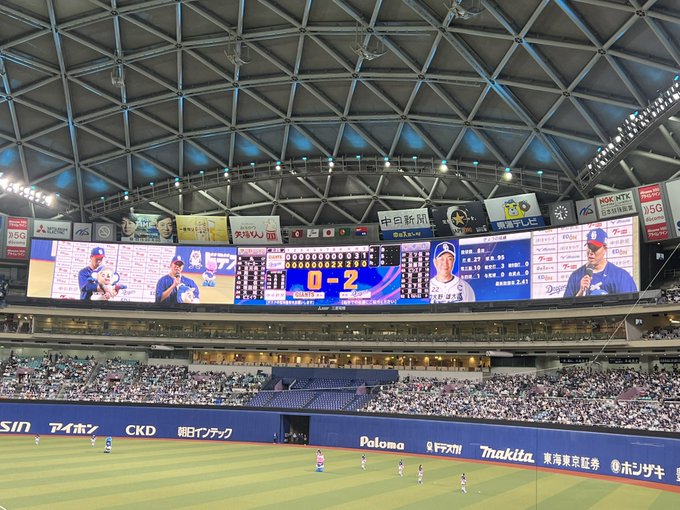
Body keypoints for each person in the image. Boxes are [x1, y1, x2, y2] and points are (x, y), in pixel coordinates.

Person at [563, 228, 638, 297]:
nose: (591, 252)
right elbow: (566, 306)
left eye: (595, 248)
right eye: (589, 247)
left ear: (605, 249)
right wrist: (581, 292)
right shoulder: (575, 276)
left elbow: (630, 304)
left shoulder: (621, 276)